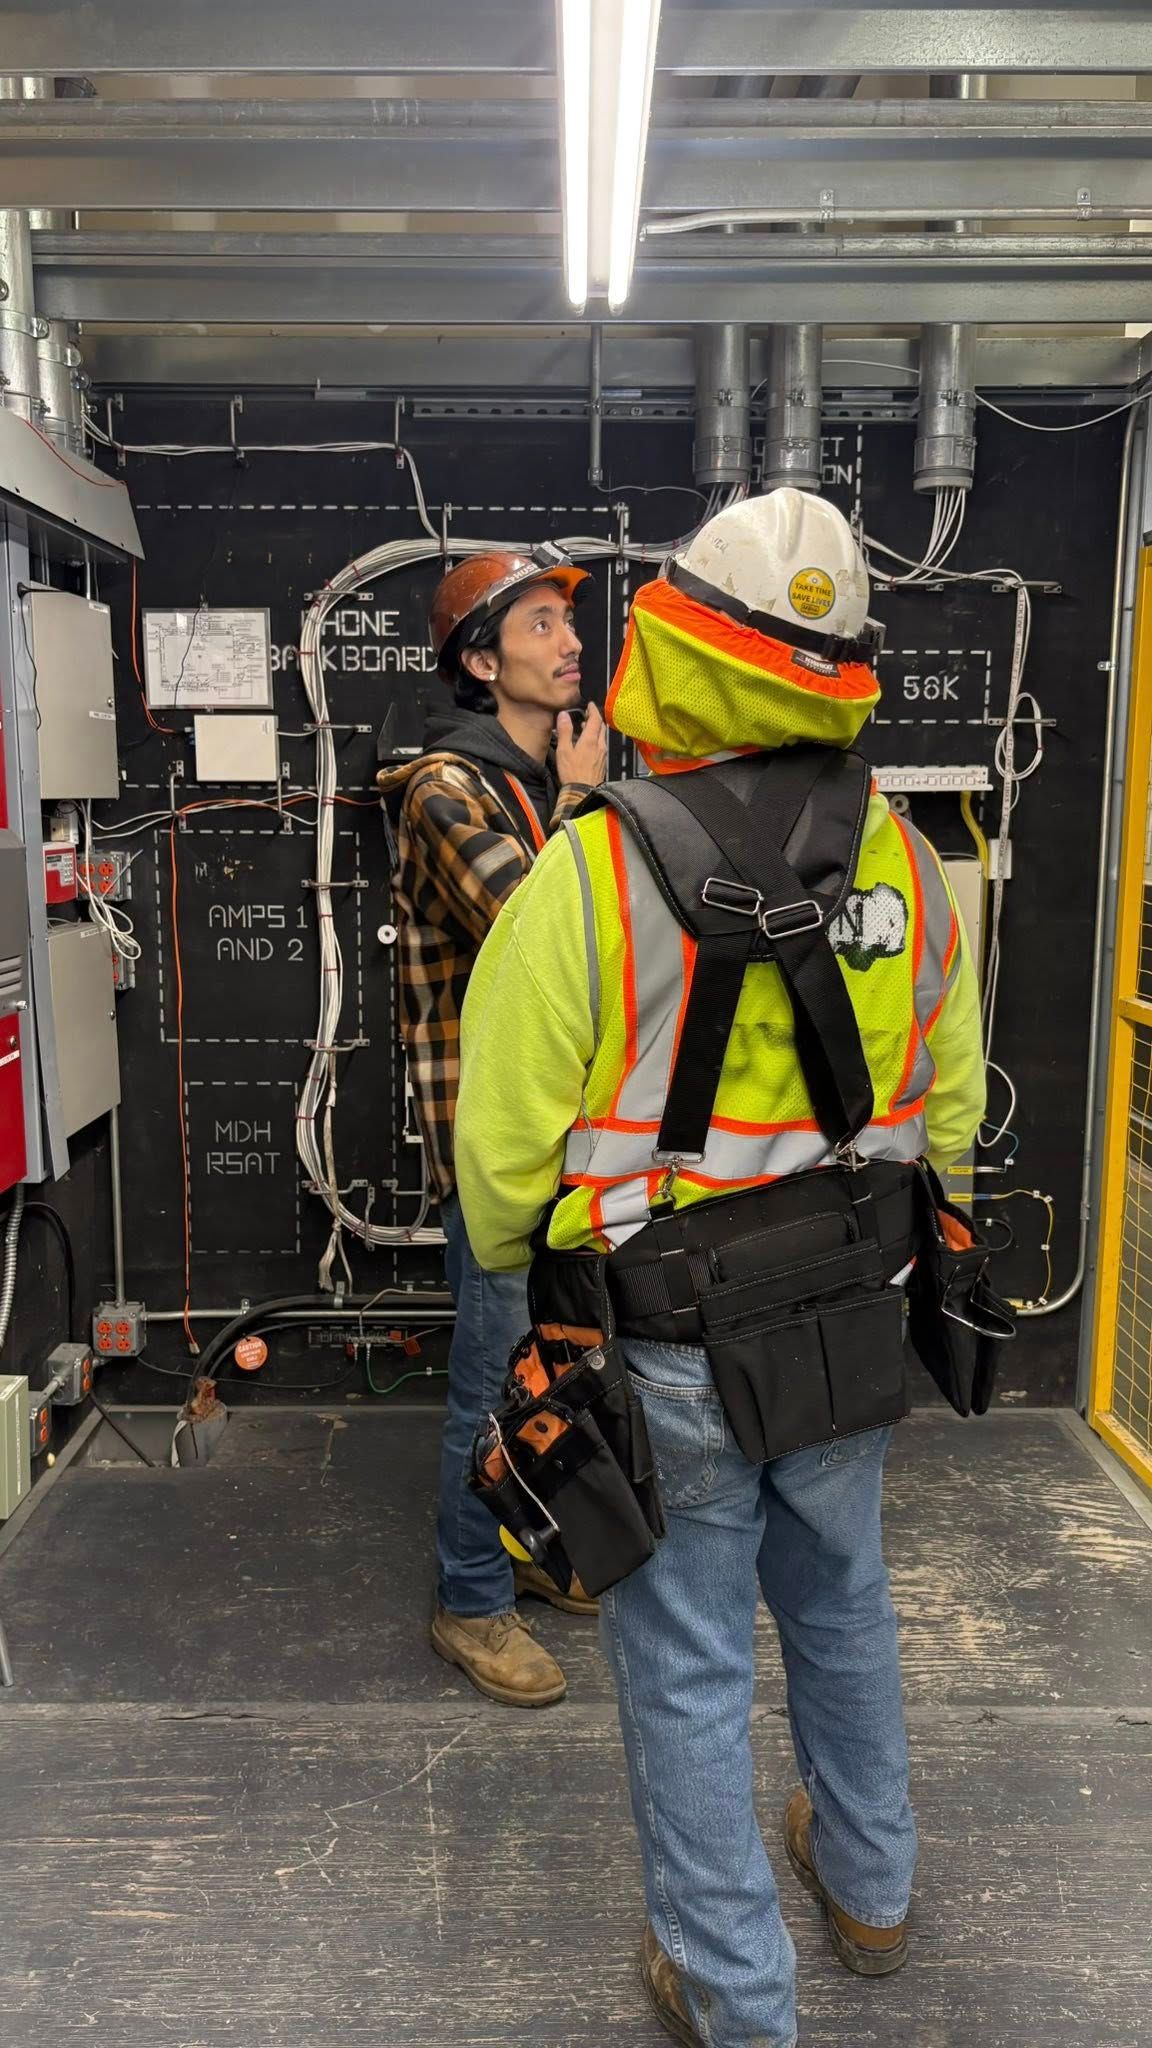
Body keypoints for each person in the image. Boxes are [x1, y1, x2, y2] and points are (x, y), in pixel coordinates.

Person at [454, 490, 986, 2046]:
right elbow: (947, 1099)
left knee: (686, 1662)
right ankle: (872, 1890)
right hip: (850, 1315)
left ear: (676, 646)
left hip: (664, 1340)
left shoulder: (592, 878)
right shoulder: (905, 856)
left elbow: (501, 1163)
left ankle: (738, 1995)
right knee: (843, 1597)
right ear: (842, 667)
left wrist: (521, 1263)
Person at [377, 545, 607, 1709]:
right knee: (487, 1371)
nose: (570, 641)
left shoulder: (547, 783)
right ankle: (470, 1599)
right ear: (481, 658)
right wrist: (580, 801)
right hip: (495, 1140)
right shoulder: (443, 788)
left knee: (561, 1365)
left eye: (570, 620)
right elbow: (540, 932)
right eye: (538, 624)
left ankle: (534, 1540)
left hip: (583, 1138)